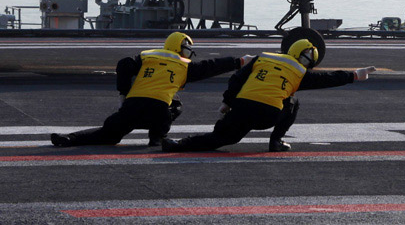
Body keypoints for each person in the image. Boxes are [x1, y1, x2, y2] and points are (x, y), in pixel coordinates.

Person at [161, 39, 376, 152]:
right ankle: (276, 141)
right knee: (292, 101)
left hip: (241, 108)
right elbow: (328, 78)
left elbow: (237, 79)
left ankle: (177, 145)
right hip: (268, 115)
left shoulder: (261, 58)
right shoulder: (300, 72)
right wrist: (355, 75)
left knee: (220, 139)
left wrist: (227, 102)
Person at [50, 32, 248, 148]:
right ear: (181, 48)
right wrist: (238, 62)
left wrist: (123, 93)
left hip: (131, 107)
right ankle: (157, 138)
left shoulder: (147, 56)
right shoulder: (184, 65)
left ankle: (68, 139)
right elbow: (211, 66)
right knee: (176, 106)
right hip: (158, 111)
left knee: (106, 135)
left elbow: (124, 64)